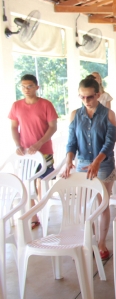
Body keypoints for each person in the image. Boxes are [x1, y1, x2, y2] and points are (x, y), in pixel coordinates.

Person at [62, 76, 116, 260]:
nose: (86, 101)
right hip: (83, 163)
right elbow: (71, 143)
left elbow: (110, 143)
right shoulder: (75, 115)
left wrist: (97, 161)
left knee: (102, 203)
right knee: (83, 205)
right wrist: (69, 160)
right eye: (83, 97)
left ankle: (101, 242)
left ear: (98, 95)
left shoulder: (108, 114)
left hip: (103, 163)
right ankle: (90, 239)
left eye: (90, 97)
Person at [9, 74, 58, 229]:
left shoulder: (46, 104)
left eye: (29, 86)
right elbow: (13, 127)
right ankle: (33, 216)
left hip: (44, 150)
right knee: (27, 183)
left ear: (37, 87)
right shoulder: (16, 105)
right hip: (26, 153)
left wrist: (39, 143)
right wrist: (18, 145)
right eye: (23, 86)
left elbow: (53, 127)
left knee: (42, 183)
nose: (26, 89)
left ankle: (42, 210)